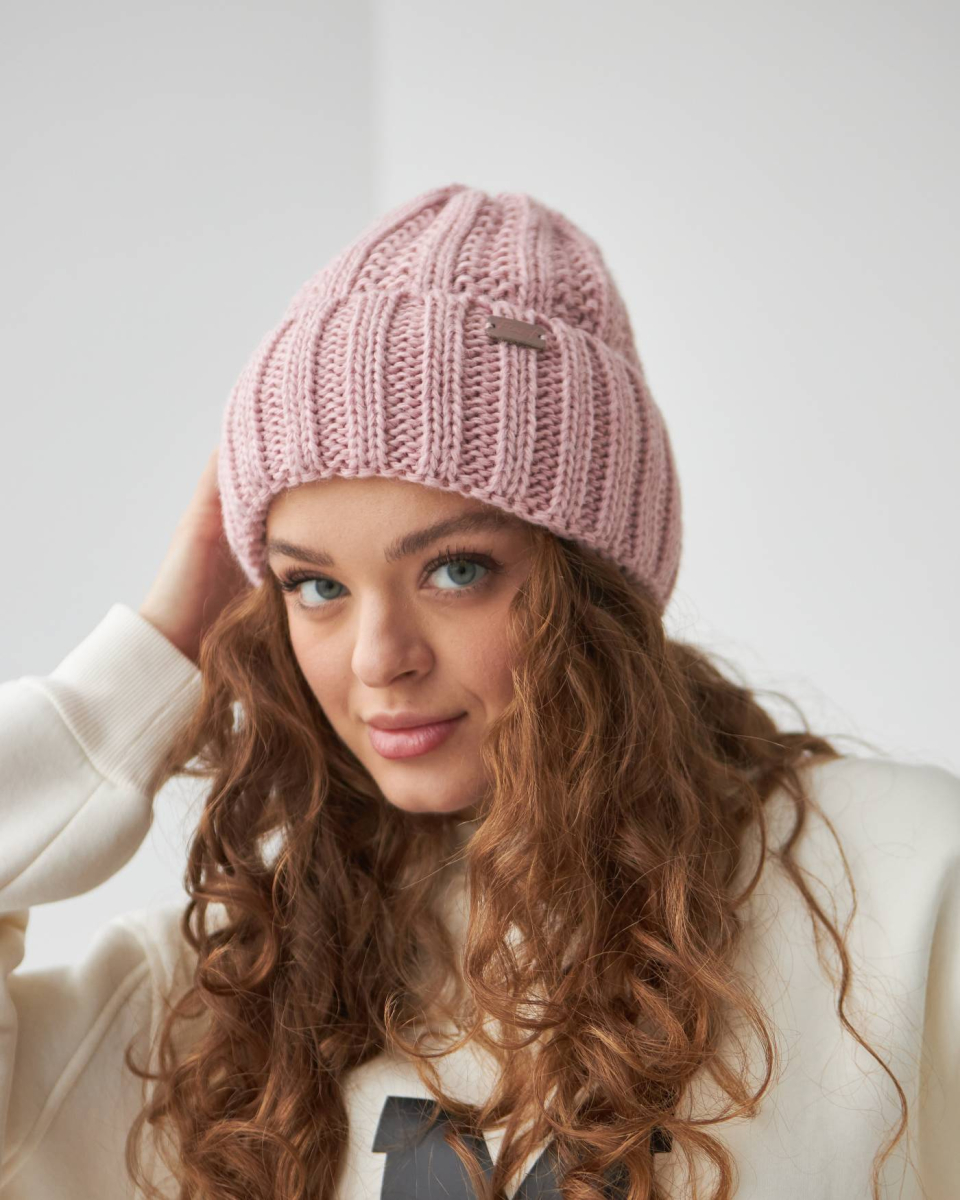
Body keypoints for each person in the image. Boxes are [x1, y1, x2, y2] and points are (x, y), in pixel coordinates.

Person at [0, 182, 956, 1200]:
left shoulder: (900, 887)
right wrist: (140, 671)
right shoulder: (222, 1007)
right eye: (316, 586)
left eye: (456, 570)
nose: (379, 660)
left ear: (595, 585)